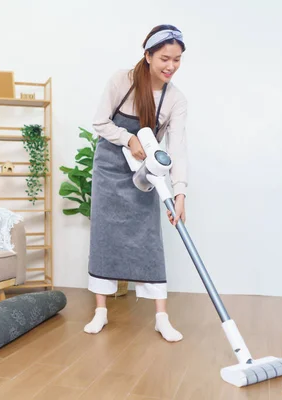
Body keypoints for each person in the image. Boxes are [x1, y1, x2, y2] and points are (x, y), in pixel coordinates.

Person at [84, 24, 189, 342]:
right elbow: (100, 122)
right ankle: (101, 310)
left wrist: (180, 191)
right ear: (147, 56)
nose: (171, 66)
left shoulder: (175, 100)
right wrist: (128, 138)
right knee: (105, 238)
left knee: (148, 240)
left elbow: (178, 147)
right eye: (164, 58)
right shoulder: (122, 81)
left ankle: (161, 317)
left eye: (177, 59)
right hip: (109, 169)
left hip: (144, 174)